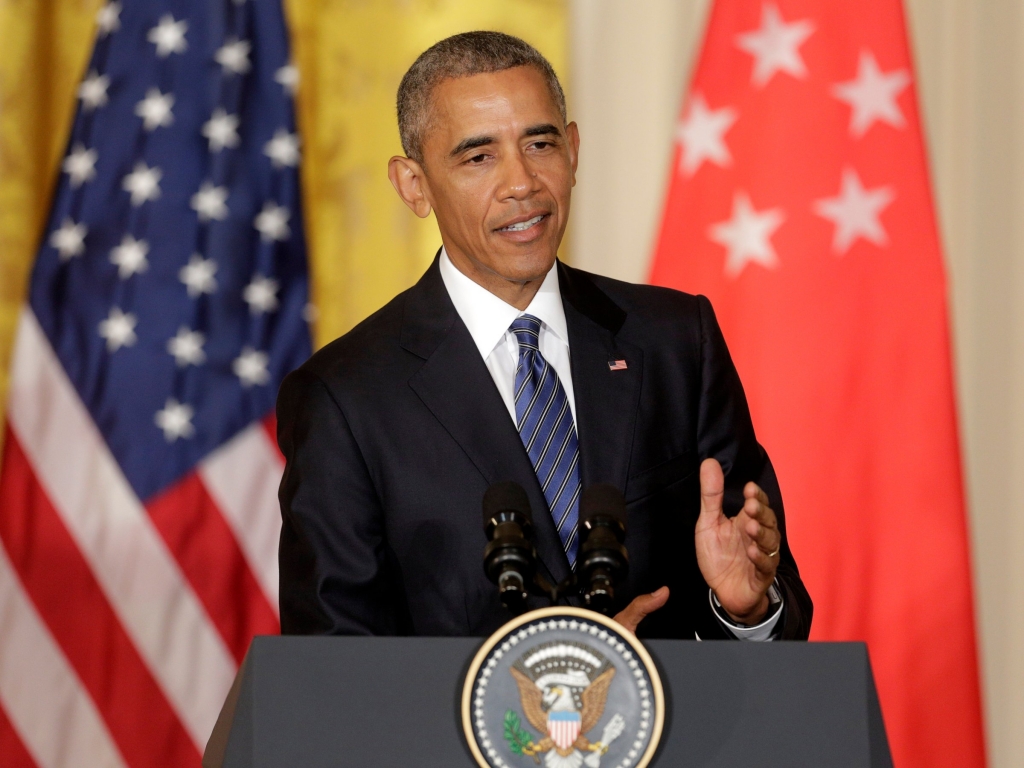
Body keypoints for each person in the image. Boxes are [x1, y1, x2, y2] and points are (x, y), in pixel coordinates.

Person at [277, 31, 812, 640]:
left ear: (575, 150)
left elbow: (774, 595)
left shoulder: (674, 342)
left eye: (540, 142)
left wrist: (745, 611)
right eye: (478, 157)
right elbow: (334, 668)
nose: (522, 182)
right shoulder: (345, 398)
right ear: (414, 185)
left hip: (679, 732)